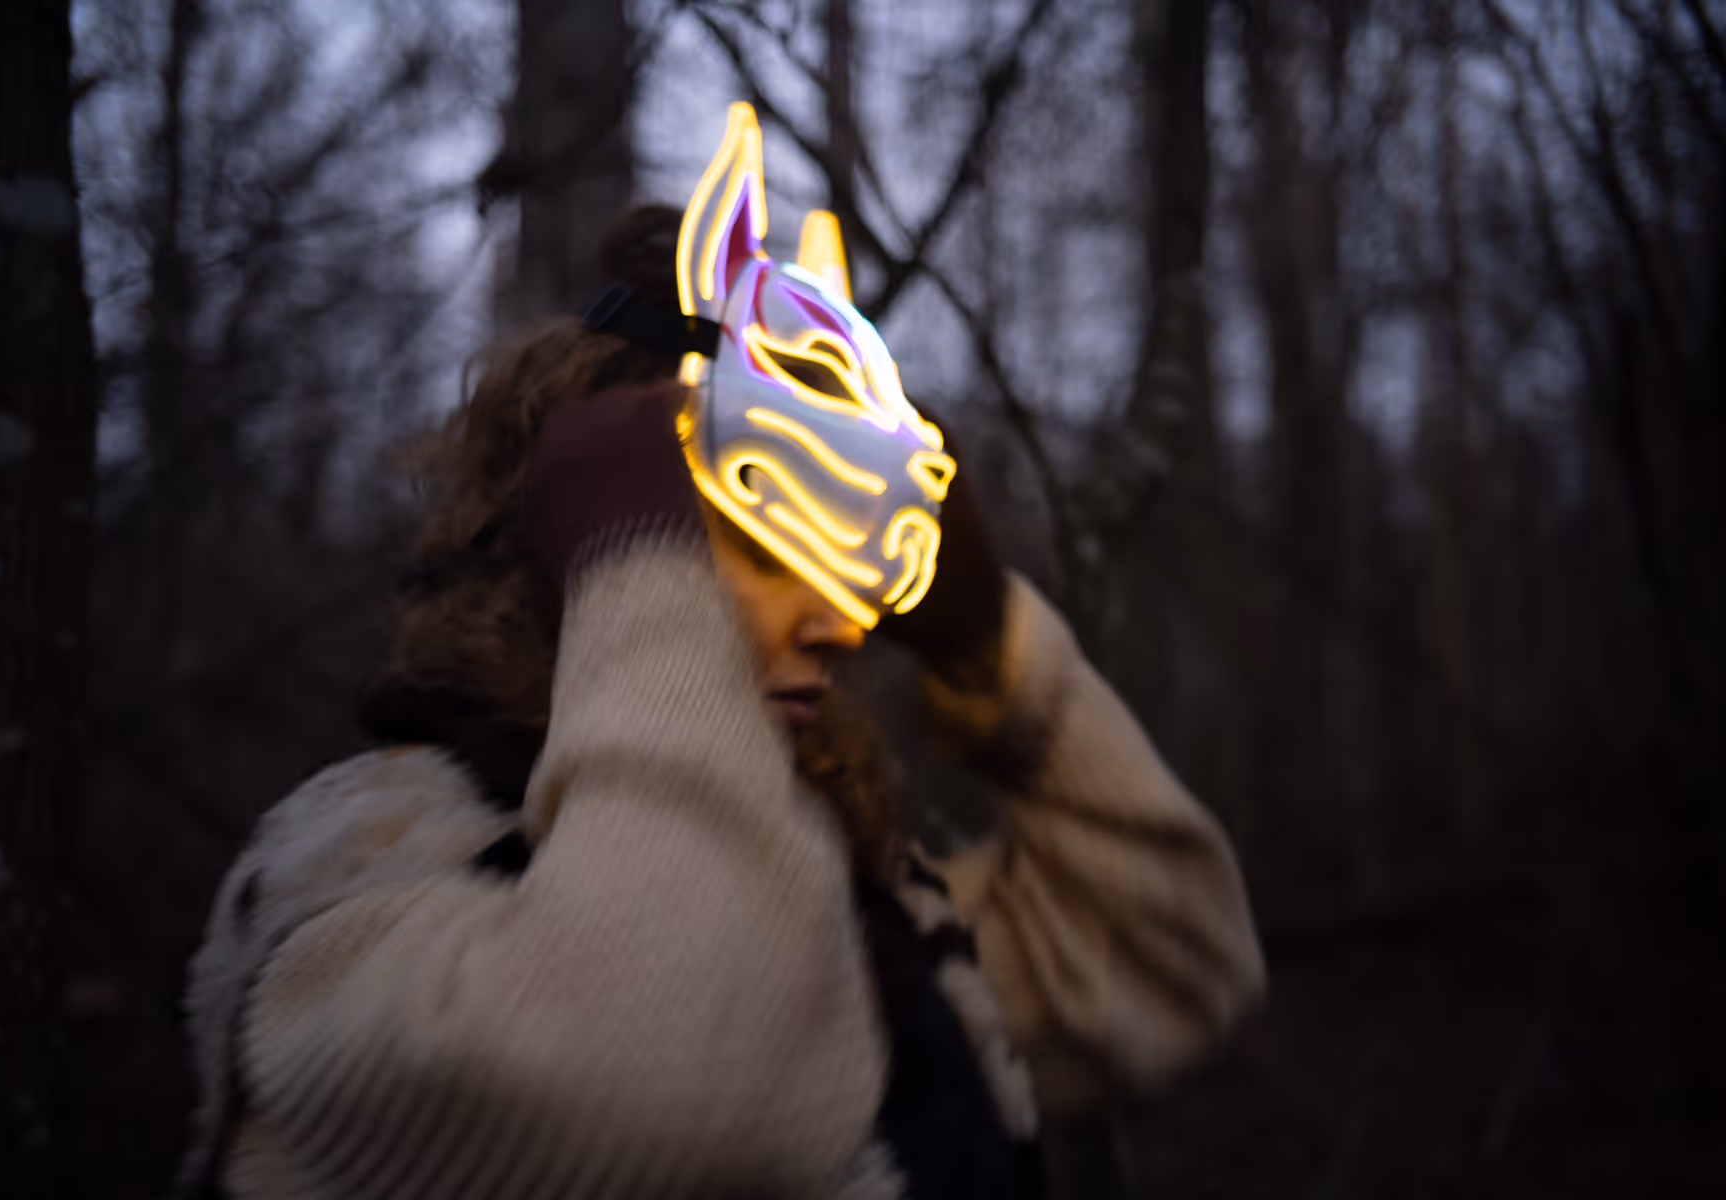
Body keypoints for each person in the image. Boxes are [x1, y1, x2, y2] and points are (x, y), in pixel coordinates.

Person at [178, 110, 1263, 1200]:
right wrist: (657, 558)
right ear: (588, 545)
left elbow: (1174, 952)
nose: (843, 624)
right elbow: (659, 1072)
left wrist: (981, 640)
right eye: (758, 531)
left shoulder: (854, 893)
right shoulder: (358, 877)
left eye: (842, 563)